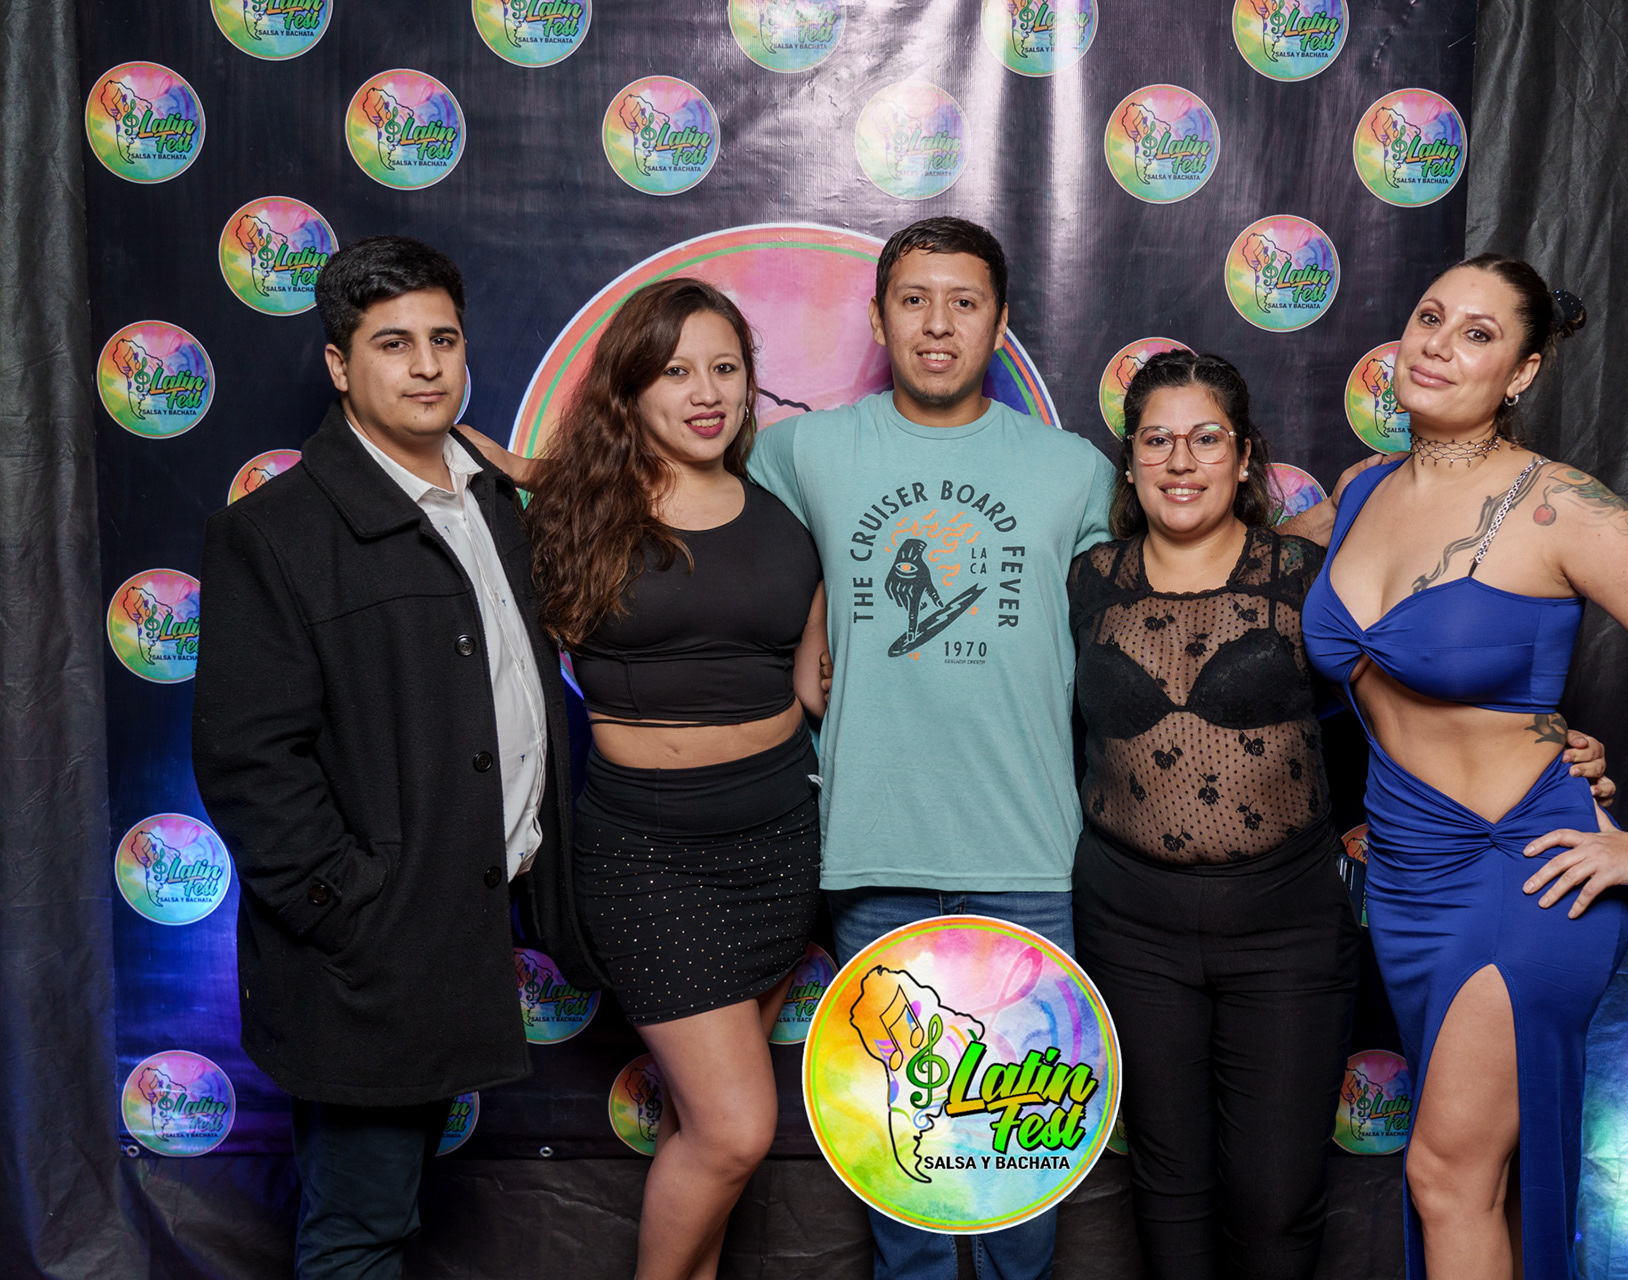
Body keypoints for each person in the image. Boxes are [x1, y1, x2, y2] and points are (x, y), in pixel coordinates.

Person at [1069, 350, 1612, 1280]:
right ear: (1129, 463)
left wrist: (1545, 748)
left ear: (1245, 456)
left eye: (1207, 439)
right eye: (1156, 441)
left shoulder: (1308, 577)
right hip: (1129, 923)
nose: (1181, 461)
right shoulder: (1086, 581)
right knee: (1167, 1192)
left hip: (1284, 926)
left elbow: (1428, 690)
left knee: (1276, 1201)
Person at [1302, 253, 1628, 1280]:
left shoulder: (1562, 507)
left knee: (1446, 1175)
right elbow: (1248, 567)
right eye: (1430, 317)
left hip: (1521, 870)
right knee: (1478, 1183)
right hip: (1408, 877)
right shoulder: (1361, 490)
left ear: (1522, 372)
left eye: (1478, 334)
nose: (1438, 345)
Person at [193, 236, 600, 1280]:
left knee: (389, 1207)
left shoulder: (496, 503)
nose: (426, 366)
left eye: (443, 340)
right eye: (392, 344)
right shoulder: (276, 533)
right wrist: (351, 906)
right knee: (361, 1224)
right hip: (371, 949)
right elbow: (249, 761)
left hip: (474, 924)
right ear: (339, 365)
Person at [745, 216, 1113, 1280]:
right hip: (876, 848)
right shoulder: (805, 450)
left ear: (1000, 322)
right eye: (914, 300)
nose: (938, 323)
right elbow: (705, 522)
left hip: (1029, 855)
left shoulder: (1074, 470)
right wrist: (816, 612)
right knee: (902, 1161)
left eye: (963, 301)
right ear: (878, 319)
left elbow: (1160, 600)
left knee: (1022, 1151)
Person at [508, 278, 829, 1280]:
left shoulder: (788, 503)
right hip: (650, 857)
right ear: (631, 387)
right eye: (676, 370)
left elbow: (815, 676)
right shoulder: (576, 511)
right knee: (735, 1128)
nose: (706, 392)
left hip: (779, 843)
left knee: (706, 1133)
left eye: (725, 368)